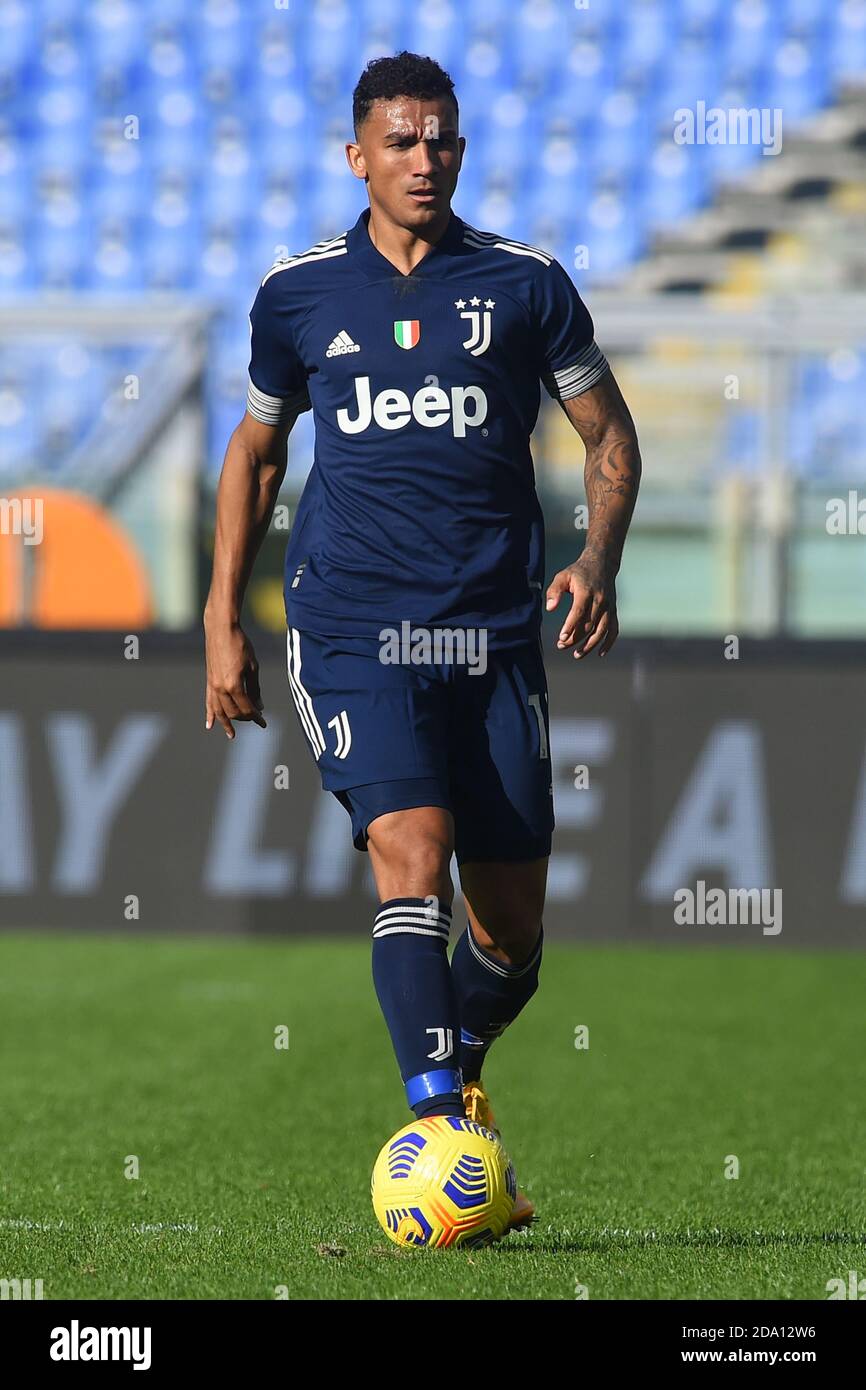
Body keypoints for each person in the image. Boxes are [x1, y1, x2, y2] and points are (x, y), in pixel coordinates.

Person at [204, 51, 641, 1231]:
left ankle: (457, 1071)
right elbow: (253, 453)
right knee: (412, 848)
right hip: (350, 622)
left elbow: (608, 435)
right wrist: (217, 617)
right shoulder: (298, 295)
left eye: (440, 140)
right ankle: (440, 1126)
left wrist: (595, 559)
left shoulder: (522, 285)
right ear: (357, 156)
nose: (423, 160)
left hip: (494, 633)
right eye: (399, 142)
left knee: (511, 940)